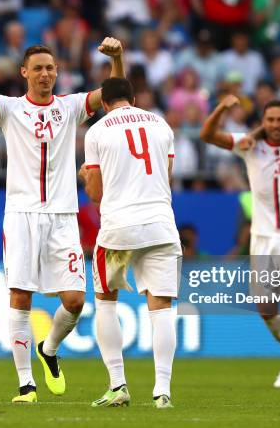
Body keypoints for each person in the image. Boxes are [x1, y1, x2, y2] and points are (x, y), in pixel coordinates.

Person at [0, 37, 124, 404]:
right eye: (38, 68)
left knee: (76, 300)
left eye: (50, 68)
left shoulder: (72, 106)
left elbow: (115, 94)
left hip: (63, 218)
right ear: (24, 73)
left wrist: (117, 59)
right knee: (20, 296)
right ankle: (26, 385)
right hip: (21, 216)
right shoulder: (9, 109)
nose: (45, 74)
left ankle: (48, 349)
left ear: (57, 72)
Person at [201, 97, 280, 388]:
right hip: (262, 236)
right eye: (271, 120)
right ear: (262, 122)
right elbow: (207, 135)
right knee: (266, 308)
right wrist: (222, 109)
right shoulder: (249, 145)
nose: (276, 126)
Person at [79, 77, 181, 409]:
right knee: (161, 308)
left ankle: (117, 385)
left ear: (103, 104)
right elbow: (166, 178)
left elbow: (96, 194)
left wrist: (86, 177)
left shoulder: (97, 132)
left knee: (106, 302)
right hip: (161, 225)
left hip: (119, 227)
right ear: (134, 98)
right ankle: (162, 391)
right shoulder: (161, 124)